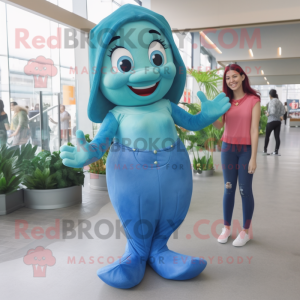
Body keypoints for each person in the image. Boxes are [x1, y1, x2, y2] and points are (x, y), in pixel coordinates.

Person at [213, 64, 261, 247]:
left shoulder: (253, 100)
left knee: (245, 190)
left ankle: (246, 230)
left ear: (242, 77)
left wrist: (253, 158)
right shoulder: (226, 101)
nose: (231, 80)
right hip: (228, 149)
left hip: (246, 150)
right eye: (227, 78)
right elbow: (219, 126)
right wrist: (212, 114)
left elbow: (255, 130)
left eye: (234, 76)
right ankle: (226, 227)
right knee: (228, 188)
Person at [263, 89, 285, 155]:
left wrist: (267, 113)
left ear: (270, 95)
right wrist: (279, 116)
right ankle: (276, 151)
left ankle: (265, 150)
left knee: (267, 136)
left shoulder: (271, 101)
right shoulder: (280, 102)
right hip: (278, 121)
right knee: (277, 137)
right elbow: (283, 111)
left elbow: (272, 111)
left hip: (271, 121)